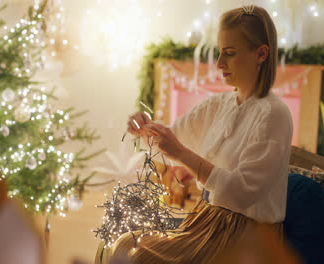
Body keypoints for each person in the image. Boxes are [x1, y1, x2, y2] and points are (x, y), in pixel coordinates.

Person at [96, 5, 293, 264]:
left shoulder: (274, 114)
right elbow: (174, 139)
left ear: (261, 54)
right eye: (220, 53)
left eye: (230, 54)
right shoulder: (219, 105)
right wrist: (144, 129)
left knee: (137, 256)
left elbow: (239, 193)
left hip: (246, 240)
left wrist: (179, 151)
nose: (220, 63)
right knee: (122, 244)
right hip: (207, 221)